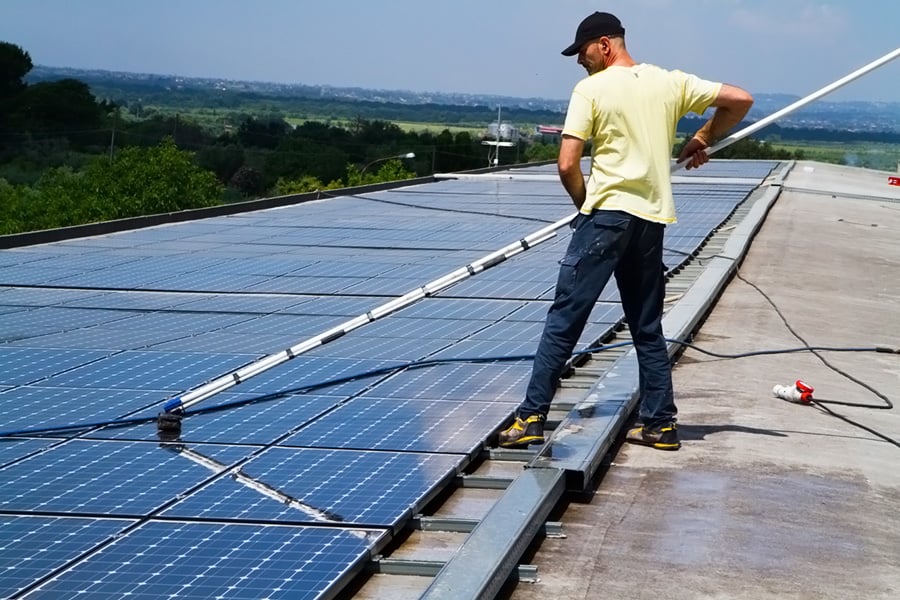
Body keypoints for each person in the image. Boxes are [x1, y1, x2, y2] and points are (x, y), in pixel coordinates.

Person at [498, 11, 753, 451]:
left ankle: (531, 417)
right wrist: (704, 136)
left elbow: (566, 162)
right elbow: (740, 99)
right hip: (650, 220)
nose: (579, 61)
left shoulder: (592, 89)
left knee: (565, 319)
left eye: (582, 52)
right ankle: (660, 423)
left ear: (604, 45)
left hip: (607, 218)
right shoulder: (669, 82)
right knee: (646, 325)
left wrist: (586, 207)